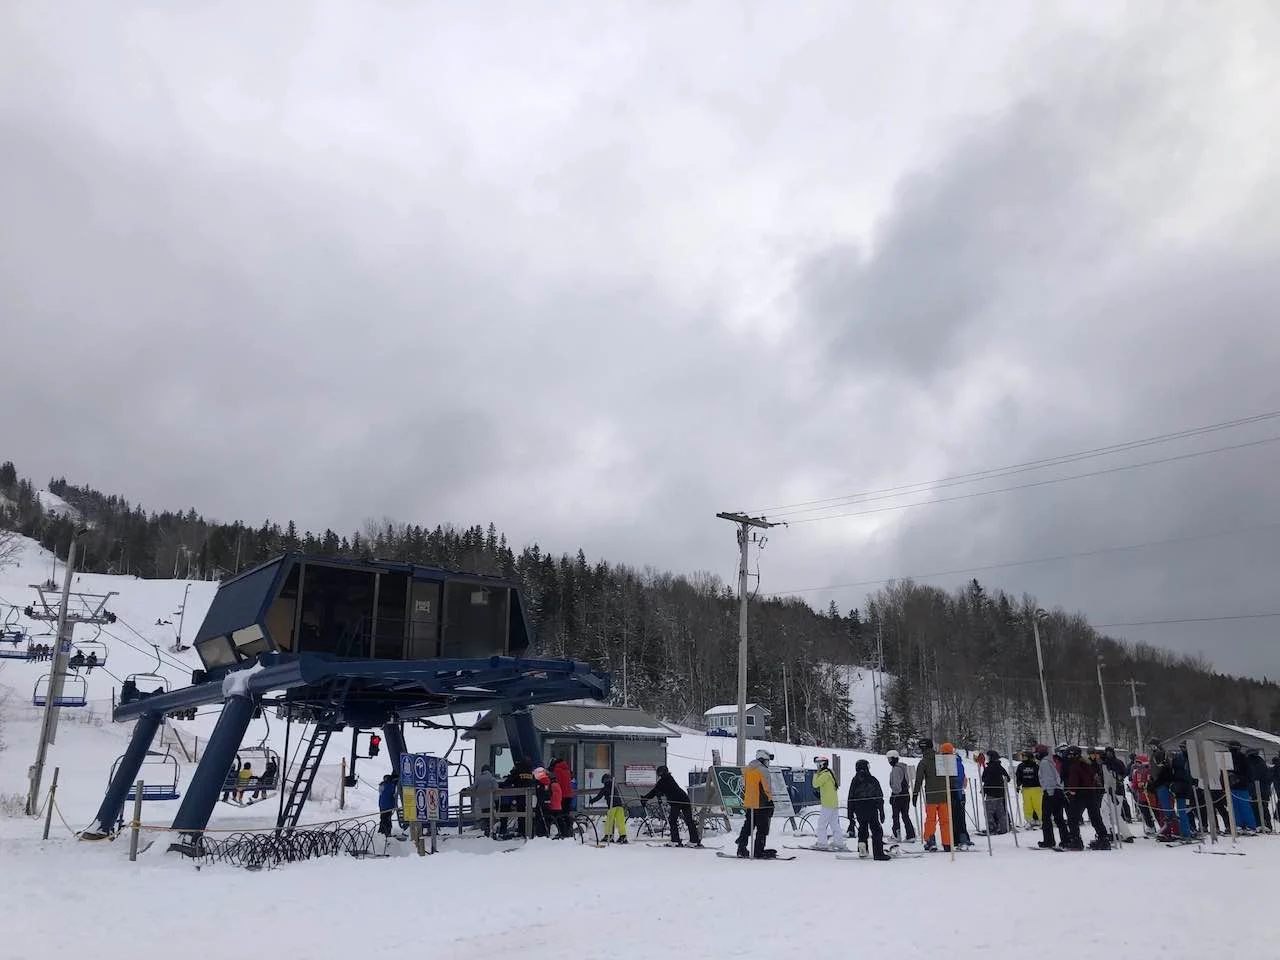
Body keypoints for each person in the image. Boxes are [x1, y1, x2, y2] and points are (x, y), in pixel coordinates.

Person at [642, 764, 702, 846]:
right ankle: (694, 840)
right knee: (689, 820)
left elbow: (654, 792)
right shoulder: (669, 778)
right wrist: (658, 794)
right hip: (685, 799)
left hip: (676, 802)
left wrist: (645, 798)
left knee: (672, 820)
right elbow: (661, 791)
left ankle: (675, 840)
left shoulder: (663, 781)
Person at [911, 739, 953, 852]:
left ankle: (930, 841)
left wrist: (915, 794)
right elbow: (949, 776)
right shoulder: (941, 759)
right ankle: (947, 842)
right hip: (944, 795)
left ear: (923, 748)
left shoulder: (923, 762)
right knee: (945, 820)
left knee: (930, 819)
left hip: (931, 796)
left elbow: (919, 780)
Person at [849, 759, 891, 860]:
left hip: (859, 809)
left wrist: (850, 815)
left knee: (862, 829)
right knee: (876, 830)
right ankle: (878, 853)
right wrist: (881, 811)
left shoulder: (855, 781)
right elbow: (879, 796)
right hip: (872, 808)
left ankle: (862, 849)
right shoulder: (872, 779)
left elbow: (850, 798)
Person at [737, 748, 775, 858]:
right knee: (762, 828)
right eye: (767, 760)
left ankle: (741, 848)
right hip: (762, 803)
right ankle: (759, 851)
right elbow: (767, 788)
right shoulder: (763, 770)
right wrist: (770, 801)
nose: (768, 763)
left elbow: (744, 786)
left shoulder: (748, 769)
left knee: (748, 826)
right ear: (763, 760)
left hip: (750, 803)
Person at [1037, 744, 1070, 849]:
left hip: (1051, 792)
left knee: (1046, 818)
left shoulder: (1044, 763)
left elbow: (1048, 778)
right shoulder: (1050, 761)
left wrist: (1050, 792)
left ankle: (1049, 840)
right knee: (1058, 817)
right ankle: (1065, 839)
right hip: (1057, 791)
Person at [811, 756, 845, 850]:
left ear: (822, 764)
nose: (817, 766)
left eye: (818, 764)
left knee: (821, 823)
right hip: (833, 803)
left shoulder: (825, 774)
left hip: (827, 803)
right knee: (834, 824)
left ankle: (822, 843)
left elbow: (815, 784)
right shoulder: (829, 773)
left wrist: (815, 774)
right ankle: (839, 843)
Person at [886, 750, 916, 841]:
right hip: (906, 794)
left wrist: (893, 795)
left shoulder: (896, 769)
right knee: (905, 815)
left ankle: (896, 835)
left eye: (889, 759)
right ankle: (911, 835)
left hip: (898, 795)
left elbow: (896, 786)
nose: (889, 761)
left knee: (896, 816)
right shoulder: (904, 767)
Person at [591, 772, 628, 843]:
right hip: (620, 806)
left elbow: (599, 796)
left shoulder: (605, 788)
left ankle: (608, 836)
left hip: (612, 806)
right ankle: (623, 836)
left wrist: (592, 800)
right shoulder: (614, 787)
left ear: (604, 781)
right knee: (620, 822)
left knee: (609, 821)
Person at [981, 750, 1011, 835]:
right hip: (1000, 794)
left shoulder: (989, 768)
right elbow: (1007, 778)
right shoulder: (1000, 767)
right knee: (1000, 811)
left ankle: (991, 828)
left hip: (991, 793)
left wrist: (985, 789)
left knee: (989, 812)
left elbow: (984, 779)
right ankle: (1003, 828)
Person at [1015, 750, 1042, 828]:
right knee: (1027, 806)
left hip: (1036, 788)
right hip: (1026, 789)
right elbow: (1018, 777)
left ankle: (1042, 819)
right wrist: (1018, 785)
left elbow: (1040, 776)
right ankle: (1029, 820)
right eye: (1022, 757)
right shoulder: (1020, 766)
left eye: (1025, 757)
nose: (1023, 758)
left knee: (1038, 805)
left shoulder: (1036, 766)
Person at [472, 764, 500, 836]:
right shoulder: (492, 778)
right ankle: (490, 830)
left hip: (482, 803)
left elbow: (473, 788)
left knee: (484, 816)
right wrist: (497, 802)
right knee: (491, 816)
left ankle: (486, 830)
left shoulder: (478, 778)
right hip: (490, 802)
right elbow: (496, 789)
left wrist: (467, 789)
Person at [378, 774, 398, 838]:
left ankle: (381, 832)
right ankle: (387, 833)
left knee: (383, 819)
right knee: (388, 820)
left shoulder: (382, 785)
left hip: (382, 805)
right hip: (388, 806)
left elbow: (381, 792)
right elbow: (393, 794)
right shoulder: (391, 786)